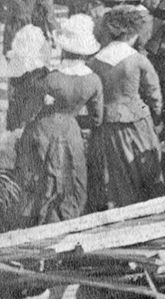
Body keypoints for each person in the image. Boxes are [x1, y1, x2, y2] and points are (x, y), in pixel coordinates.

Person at [19, 16, 105, 222]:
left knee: (40, 177)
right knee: (71, 177)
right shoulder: (93, 80)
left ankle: (38, 221)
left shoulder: (48, 79)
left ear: (64, 49)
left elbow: (28, 110)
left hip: (43, 128)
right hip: (71, 129)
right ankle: (65, 220)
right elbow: (96, 118)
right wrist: (74, 120)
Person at [87, 5, 163, 208]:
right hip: (137, 122)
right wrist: (157, 117)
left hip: (106, 123)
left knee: (115, 178)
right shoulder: (138, 60)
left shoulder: (94, 61)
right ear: (133, 33)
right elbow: (154, 93)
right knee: (145, 172)